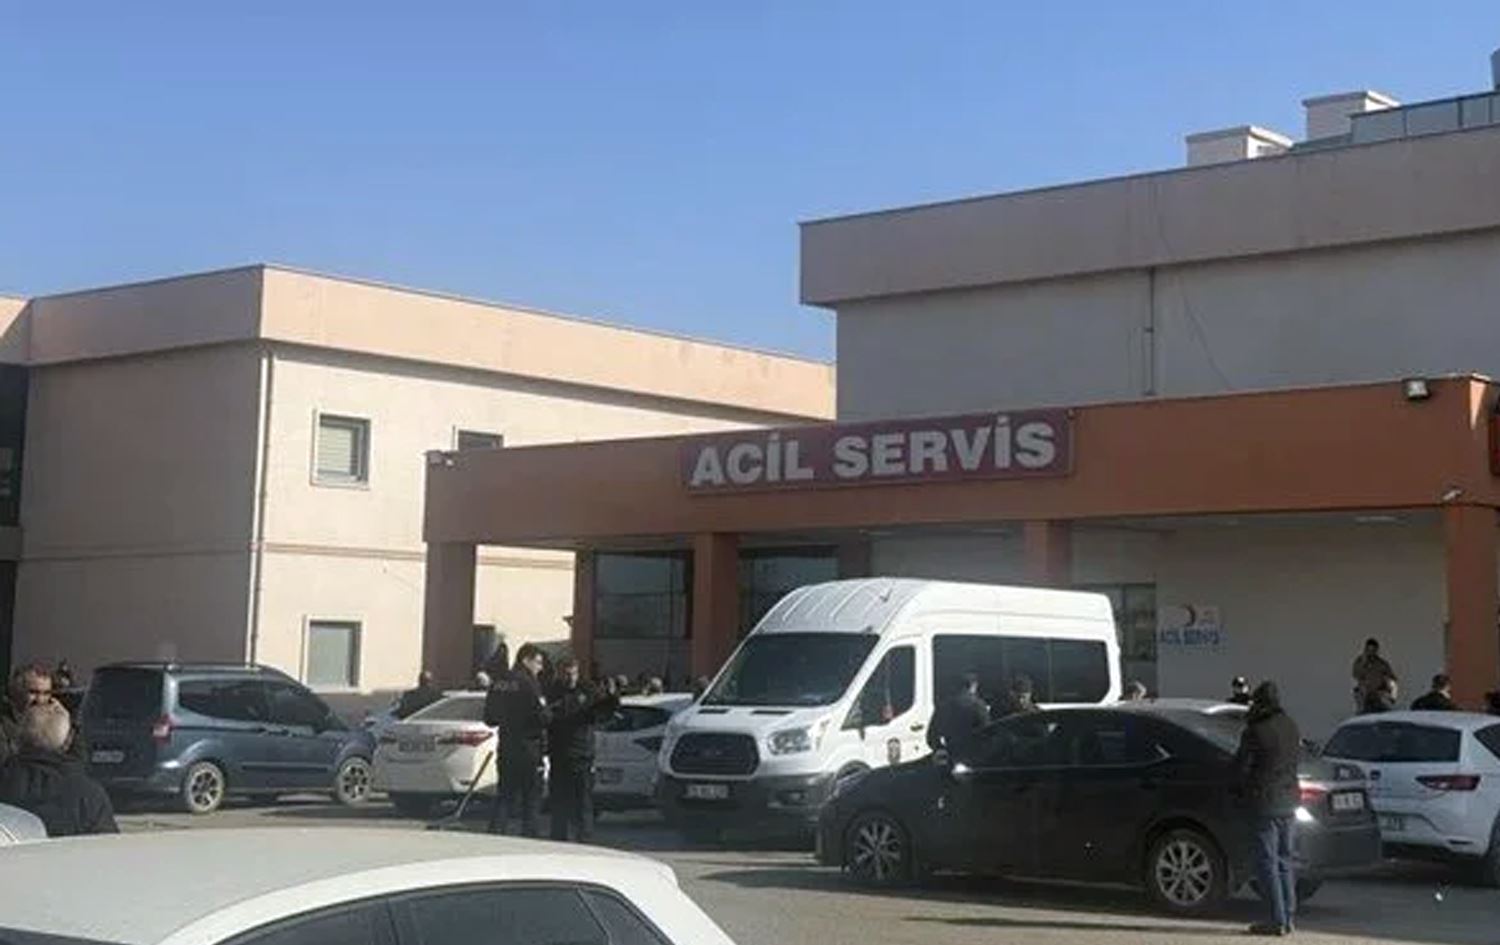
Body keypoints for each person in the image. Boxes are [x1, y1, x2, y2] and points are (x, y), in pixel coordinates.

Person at [1234, 681, 1301, 937]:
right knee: (1285, 861)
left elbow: (1241, 767)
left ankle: (1276, 919)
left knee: (1267, 862)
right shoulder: (1290, 725)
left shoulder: (1255, 730)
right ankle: (1289, 917)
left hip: (1264, 802)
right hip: (1289, 800)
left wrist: (1238, 790)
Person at [0, 701, 117, 836]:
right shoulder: (89, 795)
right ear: (68, 742)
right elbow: (108, 845)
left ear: (18, 738)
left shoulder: (5, 784)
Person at [545, 658, 620, 842]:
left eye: (573, 673)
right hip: (559, 753)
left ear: (578, 672)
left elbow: (603, 711)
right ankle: (558, 837)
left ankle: (584, 838)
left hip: (582, 754)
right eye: (566, 674)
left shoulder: (588, 689)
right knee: (559, 800)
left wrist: (612, 697)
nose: (570, 678)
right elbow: (547, 716)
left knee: (583, 800)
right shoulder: (553, 690)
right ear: (560, 674)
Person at [485, 644, 551, 836]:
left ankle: (496, 833)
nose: (540, 668)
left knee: (505, 795)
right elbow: (543, 717)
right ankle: (529, 837)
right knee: (531, 798)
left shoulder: (498, 682)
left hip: (506, 746)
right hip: (529, 748)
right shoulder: (529, 683)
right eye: (538, 662)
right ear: (526, 660)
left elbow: (490, 718)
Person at [2, 664, 59, 764]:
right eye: (33, 692)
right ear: (16, 692)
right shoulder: (3, 727)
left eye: (46, 693)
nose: (40, 700)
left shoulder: (58, 725)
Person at [927, 673, 990, 759]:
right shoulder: (978, 705)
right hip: (973, 754)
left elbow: (931, 735)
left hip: (951, 752)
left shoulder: (944, 706)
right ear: (973, 686)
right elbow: (987, 732)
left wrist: (941, 748)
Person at [1351, 638, 1397, 712]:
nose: (1371, 652)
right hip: (1364, 695)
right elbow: (1356, 675)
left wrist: (1392, 694)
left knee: (1383, 711)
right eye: (1369, 650)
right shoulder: (1360, 662)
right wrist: (1364, 662)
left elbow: (1392, 679)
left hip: (1379, 695)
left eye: (1374, 650)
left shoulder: (1382, 663)